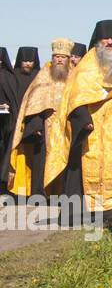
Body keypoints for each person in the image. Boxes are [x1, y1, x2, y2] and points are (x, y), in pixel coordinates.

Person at [45, 21, 112, 228]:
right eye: (106, 38)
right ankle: (83, 214)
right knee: (86, 168)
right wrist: (84, 120)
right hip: (90, 127)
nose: (111, 42)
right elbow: (75, 97)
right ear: (98, 40)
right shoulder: (87, 64)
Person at [3, 39, 74, 199]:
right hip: (46, 127)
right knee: (42, 162)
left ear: (68, 58)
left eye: (63, 57)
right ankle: (41, 195)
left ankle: (62, 195)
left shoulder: (74, 75)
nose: (60, 60)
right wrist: (36, 127)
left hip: (67, 127)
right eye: (56, 56)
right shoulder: (43, 76)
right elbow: (32, 102)